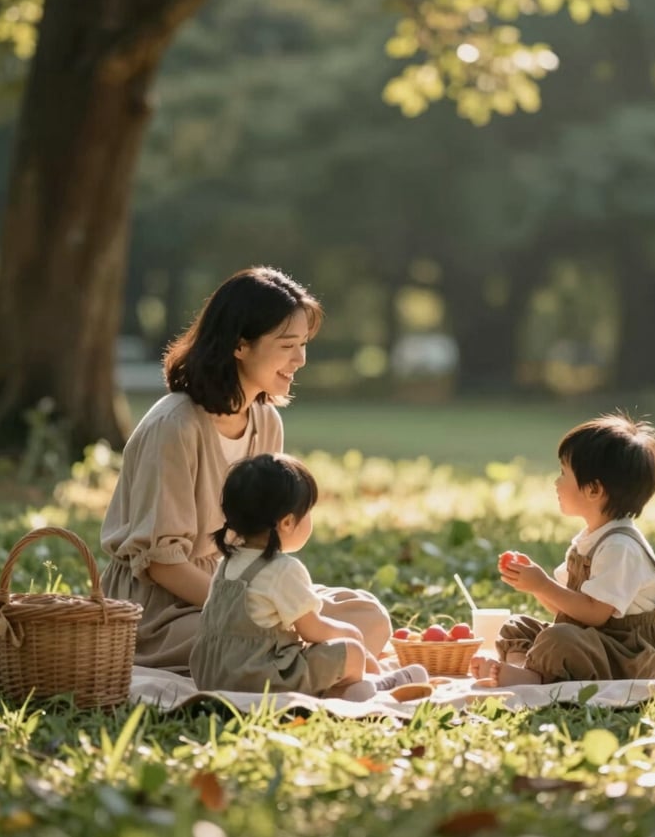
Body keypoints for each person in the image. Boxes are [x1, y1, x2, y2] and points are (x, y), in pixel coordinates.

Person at [100, 266, 391, 674]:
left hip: (242, 583)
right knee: (265, 641)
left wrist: (283, 601)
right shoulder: (174, 427)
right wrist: (260, 612)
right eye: (288, 344)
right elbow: (161, 563)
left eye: (303, 344)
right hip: (161, 608)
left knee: (367, 616)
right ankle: (300, 662)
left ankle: (298, 660)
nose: (301, 359)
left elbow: (263, 537)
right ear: (240, 345)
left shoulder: (266, 422)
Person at [190, 453, 427, 699]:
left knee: (327, 652)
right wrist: (352, 634)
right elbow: (313, 631)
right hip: (260, 678)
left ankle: (365, 684)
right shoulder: (281, 569)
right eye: (308, 512)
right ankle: (368, 688)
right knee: (352, 652)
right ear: (288, 523)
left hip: (213, 675)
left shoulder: (227, 562)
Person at [471, 412, 655, 687]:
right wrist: (534, 585)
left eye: (564, 473)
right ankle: (520, 669)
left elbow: (594, 613)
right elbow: (567, 606)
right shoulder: (589, 539)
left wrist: (542, 584)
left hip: (624, 658)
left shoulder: (620, 547)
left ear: (593, 490)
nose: (556, 482)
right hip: (590, 639)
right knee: (517, 625)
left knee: (558, 639)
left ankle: (530, 675)